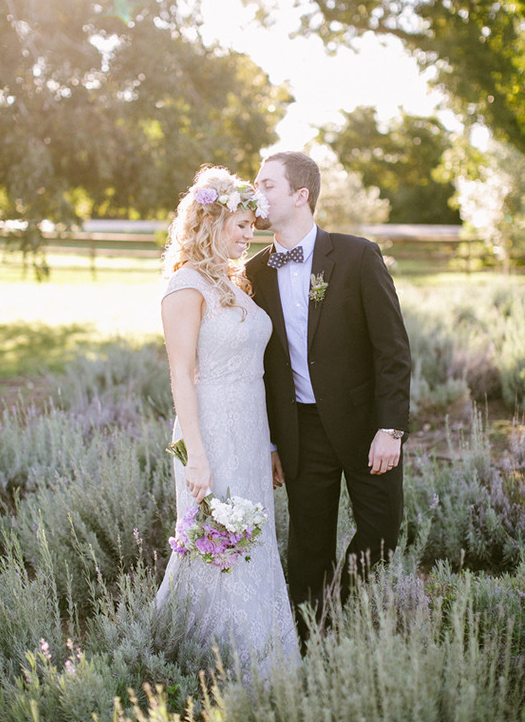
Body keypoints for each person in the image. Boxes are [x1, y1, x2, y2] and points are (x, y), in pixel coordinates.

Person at [246, 151, 411, 639]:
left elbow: (393, 350)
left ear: (301, 195)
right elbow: (260, 367)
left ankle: (342, 614)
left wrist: (390, 427)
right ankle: (308, 646)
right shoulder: (254, 272)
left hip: (366, 427)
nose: (257, 192)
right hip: (300, 430)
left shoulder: (358, 256)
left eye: (267, 184)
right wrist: (273, 443)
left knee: (382, 533)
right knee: (308, 547)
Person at [156, 164, 299, 673]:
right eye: (240, 225)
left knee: (252, 541)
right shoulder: (186, 286)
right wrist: (196, 456)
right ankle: (196, 661)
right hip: (207, 434)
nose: (248, 236)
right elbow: (181, 376)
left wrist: (268, 447)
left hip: (250, 435)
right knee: (214, 544)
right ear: (210, 221)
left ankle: (264, 661)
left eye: (250, 226)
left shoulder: (233, 283)